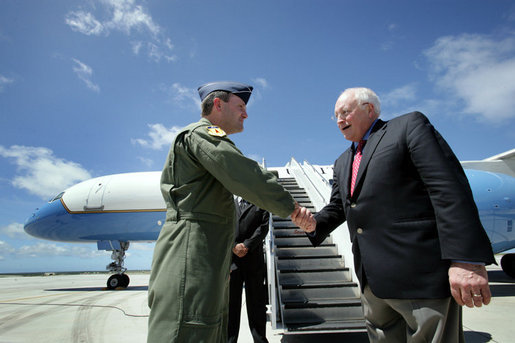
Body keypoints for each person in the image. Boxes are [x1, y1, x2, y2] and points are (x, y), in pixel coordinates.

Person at [291, 87, 496, 342]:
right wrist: (314, 223)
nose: (340, 120)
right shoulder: (343, 162)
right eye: (336, 116)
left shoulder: (408, 127)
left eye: (345, 112)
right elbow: (339, 207)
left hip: (420, 277)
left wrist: (466, 259)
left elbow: (449, 189)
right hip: (372, 283)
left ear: (370, 109)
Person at [147, 81, 299, 343]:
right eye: (240, 106)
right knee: (190, 327)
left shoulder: (206, 137)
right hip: (192, 252)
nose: (246, 113)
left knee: (208, 326)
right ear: (218, 104)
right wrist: (294, 209)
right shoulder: (202, 134)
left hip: (206, 252)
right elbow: (244, 174)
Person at [228, 198, 270, 343]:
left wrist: (246, 246)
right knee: (231, 305)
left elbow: (263, 227)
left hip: (254, 261)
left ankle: (260, 339)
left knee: (257, 305)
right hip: (232, 263)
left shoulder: (260, 202)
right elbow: (223, 226)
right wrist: (233, 246)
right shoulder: (229, 203)